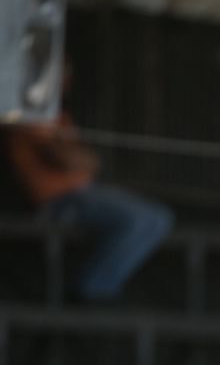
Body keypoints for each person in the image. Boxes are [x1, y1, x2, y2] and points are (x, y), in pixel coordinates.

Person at [5, 74, 173, 303]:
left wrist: (75, 154)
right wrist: (72, 153)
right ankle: (90, 289)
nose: (63, 80)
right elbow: (67, 158)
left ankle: (96, 287)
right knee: (140, 219)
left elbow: (91, 161)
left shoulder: (58, 118)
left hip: (84, 191)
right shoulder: (27, 117)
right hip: (60, 201)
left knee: (159, 218)